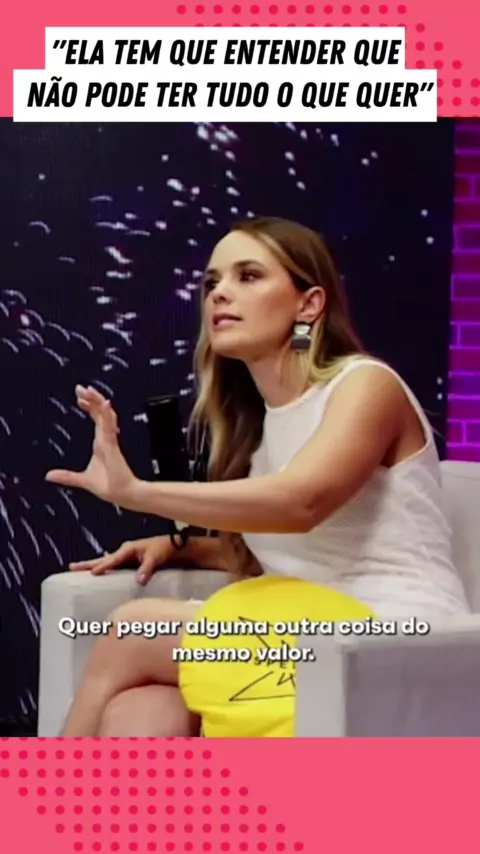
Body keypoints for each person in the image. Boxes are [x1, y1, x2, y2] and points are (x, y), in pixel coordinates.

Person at [45, 216, 469, 737]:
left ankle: (40, 793)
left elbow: (301, 504)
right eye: (212, 282)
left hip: (392, 637)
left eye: (248, 276)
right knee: (140, 711)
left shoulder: (365, 385)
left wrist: (136, 493)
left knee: (133, 630)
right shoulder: (257, 427)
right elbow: (302, 552)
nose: (220, 293)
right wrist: (185, 548)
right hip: (302, 628)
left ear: (309, 305)